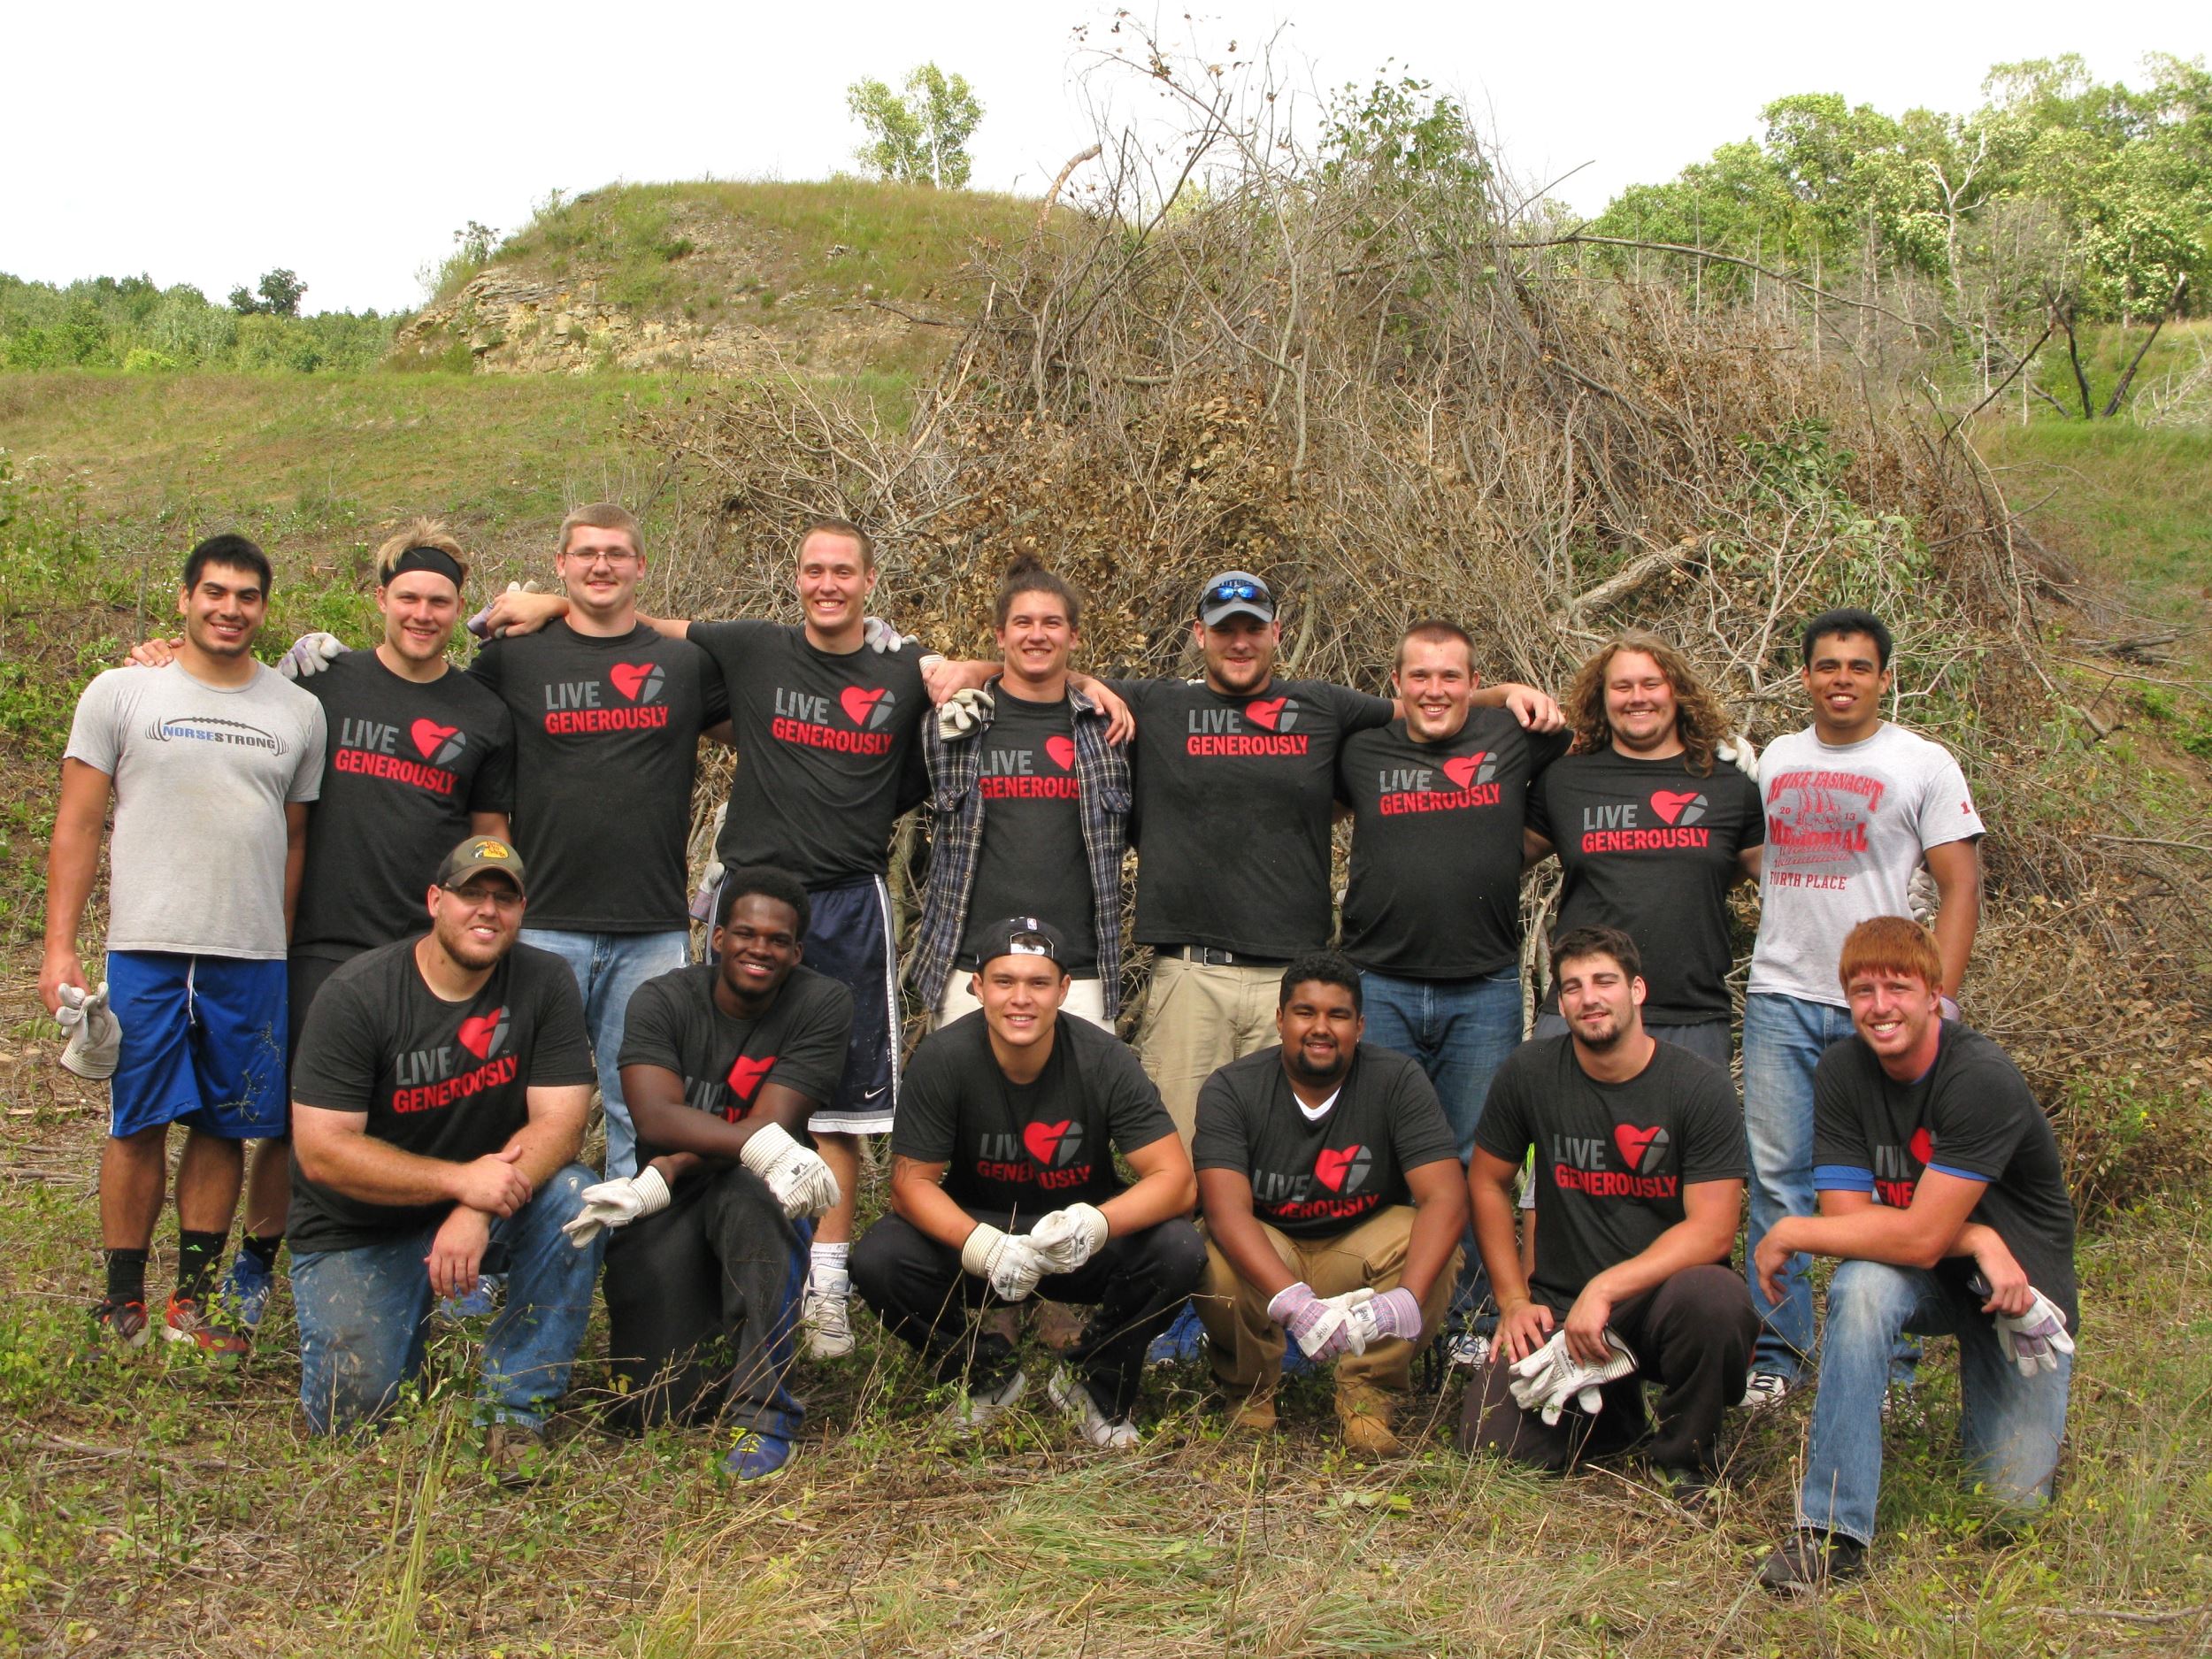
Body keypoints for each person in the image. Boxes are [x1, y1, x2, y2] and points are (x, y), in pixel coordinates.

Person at [483, 516, 933, 1358]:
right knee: (702, 1088)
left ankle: (822, 1286)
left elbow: (979, 671)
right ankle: (557, 1264)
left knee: (832, 1106)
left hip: (843, 902)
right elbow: (644, 622)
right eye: (814, 569)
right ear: (794, 577)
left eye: (844, 571)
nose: (828, 583)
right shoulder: (750, 647)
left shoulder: (903, 669)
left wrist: (972, 669)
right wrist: (549, 600)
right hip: (747, 896)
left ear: (870, 582)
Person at [127, 520, 518, 1329]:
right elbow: (224, 683)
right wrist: (160, 662)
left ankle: (439, 1266)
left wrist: (487, 926)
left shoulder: (482, 710)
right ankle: (258, 1266)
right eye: (407, 597)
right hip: (319, 941)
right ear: (381, 599)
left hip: (424, 949)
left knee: (429, 1104)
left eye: (439, 601)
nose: (422, 613)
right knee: (298, 1120)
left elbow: (491, 837)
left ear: (457, 608)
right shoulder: (320, 683)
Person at [1087, 577, 1559, 1144]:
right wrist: (972, 672)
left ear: (1276, 635)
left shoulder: (1324, 706)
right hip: (1191, 970)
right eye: (1225, 630)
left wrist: (1506, 693)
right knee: (1182, 1155)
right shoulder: (1157, 703)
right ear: (1199, 635)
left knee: (1292, 1154)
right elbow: (1046, 674)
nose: (1240, 642)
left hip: (1297, 977)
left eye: (1253, 629)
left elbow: (1429, 706)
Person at [44, 534, 326, 1353]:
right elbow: (78, 824)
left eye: (246, 596)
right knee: (136, 1121)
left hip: (250, 955)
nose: (229, 608)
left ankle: (191, 1303)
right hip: (147, 945)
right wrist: (59, 947)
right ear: (184, 598)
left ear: (264, 609)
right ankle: (121, 1301)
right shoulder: (123, 693)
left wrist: (277, 937)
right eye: (214, 592)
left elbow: (294, 838)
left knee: (225, 1125)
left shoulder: (296, 712)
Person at [1752, 918, 2077, 1591]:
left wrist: (1789, 1231)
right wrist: (1981, 1236)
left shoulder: (1979, 1076)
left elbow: (1913, 1233)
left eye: (1898, 986)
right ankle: (1832, 1530)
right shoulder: (1843, 1069)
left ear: (1935, 994)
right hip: (1929, 1273)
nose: (1879, 1005)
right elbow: (1851, 1222)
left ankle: (2026, 1425)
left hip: (2016, 1295)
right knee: (1863, 1285)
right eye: (1862, 989)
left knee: (2006, 1510)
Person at [286, 836, 601, 1478]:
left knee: (574, 1196)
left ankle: (514, 1410)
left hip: (484, 1205)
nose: (488, 911)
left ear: (522, 910)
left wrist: (474, 1206)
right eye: (471, 894)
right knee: (354, 1422)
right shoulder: (358, 994)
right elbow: (322, 1151)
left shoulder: (544, 981)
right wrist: (463, 1181)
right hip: (360, 1225)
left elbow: (562, 1124)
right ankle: (402, 1326)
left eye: (504, 898)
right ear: (435, 901)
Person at [1742, 608, 1985, 1405]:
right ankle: (1778, 1355)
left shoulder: (1922, 763)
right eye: (1826, 665)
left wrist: (1934, 1001)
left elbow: (1959, 885)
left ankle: (1889, 1365)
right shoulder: (1776, 759)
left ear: (1885, 677)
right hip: (1782, 993)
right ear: (1804, 675)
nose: (1840, 678)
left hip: (1880, 1009)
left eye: (1857, 666)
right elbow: (1763, 858)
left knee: (1890, 1188)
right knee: (1778, 1178)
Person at [850, 918, 1203, 1448]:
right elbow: (910, 1185)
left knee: (1179, 1248)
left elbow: (1177, 1181)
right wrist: (981, 1245)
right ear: (977, 986)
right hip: (984, 1235)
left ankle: (1095, 1380)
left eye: (1039, 983)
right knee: (878, 1258)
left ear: (1064, 989)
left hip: (1078, 1235)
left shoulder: (1102, 1058)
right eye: (1004, 981)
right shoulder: (945, 1057)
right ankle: (983, 1375)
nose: (1021, 999)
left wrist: (1097, 1222)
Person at [463, 503, 730, 1186]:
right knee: (506, 1093)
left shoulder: (684, 663)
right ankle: (493, 1244)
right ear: (560, 564)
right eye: (585, 553)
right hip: (541, 918)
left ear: (643, 566)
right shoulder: (513, 659)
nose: (601, 565)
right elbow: (431, 704)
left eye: (616, 553)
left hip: (650, 924)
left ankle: (631, 1243)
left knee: (638, 1102)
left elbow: (775, 703)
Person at [580, 866, 854, 1483]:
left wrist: (677, 1160)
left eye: (778, 939)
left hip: (752, 1191)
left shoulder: (821, 1002)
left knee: (761, 1191)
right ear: (719, 936)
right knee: (653, 1408)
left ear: (797, 951)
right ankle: (715, 1357)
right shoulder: (663, 999)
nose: (761, 948)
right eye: (747, 933)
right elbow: (655, 1115)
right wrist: (664, 1175)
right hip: (665, 1202)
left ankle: (765, 1413)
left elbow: (773, 1129)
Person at [1335, 619, 1569, 1344]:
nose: (1435, 689)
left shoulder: (1511, 739)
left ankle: (1466, 1320)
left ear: (1473, 683)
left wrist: (1508, 851)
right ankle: (1384, 1313)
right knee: (1382, 1153)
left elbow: (1571, 748)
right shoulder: (1360, 748)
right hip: (1380, 982)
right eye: (1420, 676)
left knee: (1474, 1158)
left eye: (1452, 677)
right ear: (1395, 684)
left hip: (1484, 986)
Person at [1460, 926, 1755, 1494]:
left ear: (1637, 990)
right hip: (1559, 1304)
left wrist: (1606, 1289)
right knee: (1487, 1443)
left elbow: (1714, 1230)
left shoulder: (1697, 1087)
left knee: (1716, 1301)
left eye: (1603, 981)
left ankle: (1683, 1457)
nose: (1588, 998)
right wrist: (1514, 1300)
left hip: (1662, 1300)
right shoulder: (1530, 1072)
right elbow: (1487, 1182)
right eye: (1571, 987)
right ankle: (1615, 1416)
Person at [1192, 951, 1467, 1456]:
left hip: (1356, 1246)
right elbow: (1225, 1211)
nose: (1321, 1028)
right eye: (1305, 1013)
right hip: (1272, 1247)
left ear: (1360, 1025)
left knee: (1432, 1240)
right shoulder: (1233, 1088)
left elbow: (1446, 1196)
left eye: (1337, 1015)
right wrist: (1295, 1303)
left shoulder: (1397, 1080)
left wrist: (1404, 1301)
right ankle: (1251, 1394)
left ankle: (1369, 1393)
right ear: (1280, 1020)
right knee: (1210, 1252)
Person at [908, 556, 1127, 1032]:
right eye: (1022, 623)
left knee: (1076, 1108)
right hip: (971, 969)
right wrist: (966, 669)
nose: (1037, 635)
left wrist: (1088, 683)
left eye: (1052, 623)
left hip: (1079, 973)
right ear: (1000, 635)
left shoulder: (1109, 730)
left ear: (1074, 637)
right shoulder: (949, 725)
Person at [1525, 631, 1763, 1067]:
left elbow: (1786, 876)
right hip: (1581, 1010)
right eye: (1622, 686)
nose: (1638, 698)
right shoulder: (1564, 780)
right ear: (1602, 697)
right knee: (1566, 1137)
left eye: (1651, 684)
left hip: (1691, 1017)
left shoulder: (1729, 785)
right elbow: (1488, 857)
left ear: (1677, 691)